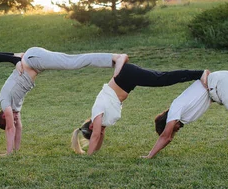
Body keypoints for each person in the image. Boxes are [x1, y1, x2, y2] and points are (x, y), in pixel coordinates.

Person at [0, 47, 128, 155]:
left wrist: (7, 153)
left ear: (3, 116)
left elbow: (10, 128)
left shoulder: (4, 101)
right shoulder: (15, 107)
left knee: (71, 62)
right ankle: (114, 61)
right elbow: (17, 127)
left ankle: (116, 57)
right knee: (71, 62)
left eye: (11, 119)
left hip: (32, 59)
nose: (15, 119)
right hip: (34, 61)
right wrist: (15, 151)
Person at [71, 62, 209, 155]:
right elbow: (98, 137)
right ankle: (198, 74)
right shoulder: (102, 121)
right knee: (161, 79)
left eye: (98, 131)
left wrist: (88, 157)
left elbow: (96, 135)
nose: (101, 133)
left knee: (161, 79)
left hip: (128, 75)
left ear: (91, 127)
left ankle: (199, 73)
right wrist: (93, 152)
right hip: (128, 79)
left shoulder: (97, 113)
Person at [143, 70, 228, 164]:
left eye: (174, 129)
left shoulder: (174, 110)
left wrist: (150, 156)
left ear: (167, 122)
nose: (176, 130)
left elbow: (165, 137)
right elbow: (167, 137)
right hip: (220, 80)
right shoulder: (180, 112)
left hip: (220, 82)